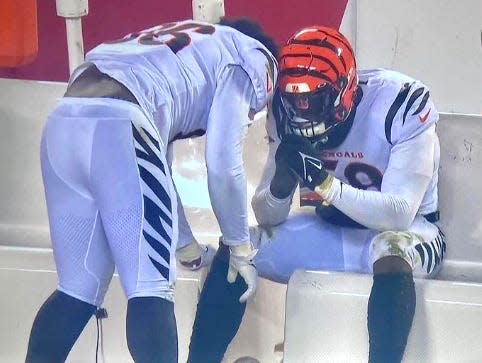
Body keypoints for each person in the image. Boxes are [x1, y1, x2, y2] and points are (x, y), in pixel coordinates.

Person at [25, 17, 278, 363]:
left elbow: (155, 170)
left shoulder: (182, 46)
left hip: (64, 122)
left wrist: (185, 244)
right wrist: (239, 246)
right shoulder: (252, 55)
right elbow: (222, 162)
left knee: (77, 289)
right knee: (150, 288)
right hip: (120, 123)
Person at [187, 26, 446, 363]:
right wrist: (282, 180)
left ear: (344, 94)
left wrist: (324, 183)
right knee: (239, 246)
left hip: (413, 235)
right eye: (294, 101)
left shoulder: (399, 103)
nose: (301, 112)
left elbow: (398, 214)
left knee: (390, 247)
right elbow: (268, 217)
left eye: (312, 101)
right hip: (332, 233)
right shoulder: (284, 116)